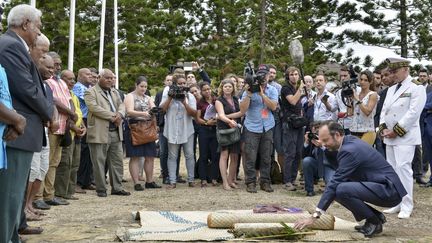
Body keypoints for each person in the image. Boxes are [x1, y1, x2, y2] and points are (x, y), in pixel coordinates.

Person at [294, 122, 407, 238]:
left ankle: (374, 222)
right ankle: (374, 217)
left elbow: (335, 182)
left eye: (325, 140)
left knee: (340, 189)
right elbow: (337, 165)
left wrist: (315, 216)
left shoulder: (349, 150)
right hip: (382, 185)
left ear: (337, 135)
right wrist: (324, 147)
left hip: (389, 190)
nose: (322, 143)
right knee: (337, 190)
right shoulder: (348, 140)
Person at [0, 4, 53, 242]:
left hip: (20, 131)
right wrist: (49, 113)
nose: (38, 33)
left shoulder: (14, 45)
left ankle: (13, 236)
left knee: (15, 194)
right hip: (15, 131)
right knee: (10, 195)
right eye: (38, 28)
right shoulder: (11, 46)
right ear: (25, 24)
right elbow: (27, 89)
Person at [379, 57, 426, 219]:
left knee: (403, 169)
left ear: (405, 69)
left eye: (395, 71)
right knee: (392, 170)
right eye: (391, 71)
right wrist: (383, 128)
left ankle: (407, 204)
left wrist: (396, 131)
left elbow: (413, 113)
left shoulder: (416, 88)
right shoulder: (392, 89)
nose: (392, 74)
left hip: (405, 137)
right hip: (390, 136)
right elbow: (384, 111)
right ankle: (396, 202)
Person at [84, 68, 130, 197]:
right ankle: (101, 189)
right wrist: (113, 116)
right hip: (99, 132)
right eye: (107, 78)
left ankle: (117, 187)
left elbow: (122, 105)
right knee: (99, 162)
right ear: (99, 78)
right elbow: (94, 108)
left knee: (117, 161)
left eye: (112, 78)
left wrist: (120, 114)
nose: (110, 80)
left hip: (115, 131)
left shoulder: (114, 92)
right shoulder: (90, 92)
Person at [240, 64, 278, 193]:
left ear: (268, 76)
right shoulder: (249, 89)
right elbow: (242, 109)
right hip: (251, 126)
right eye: (260, 74)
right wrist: (249, 94)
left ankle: (265, 182)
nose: (263, 77)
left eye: (265, 75)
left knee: (267, 156)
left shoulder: (272, 89)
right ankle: (250, 182)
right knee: (250, 156)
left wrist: (262, 94)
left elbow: (273, 107)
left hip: (267, 126)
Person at [160, 74, 197, 188]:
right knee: (172, 156)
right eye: (179, 84)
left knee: (190, 155)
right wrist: (170, 97)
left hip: (187, 129)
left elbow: (194, 114)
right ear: (174, 85)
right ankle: (172, 181)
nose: (181, 86)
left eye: (183, 83)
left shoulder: (190, 96)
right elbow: (161, 110)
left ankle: (191, 180)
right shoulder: (167, 95)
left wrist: (184, 102)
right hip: (172, 130)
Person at [123, 76, 160, 191]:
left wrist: (155, 113)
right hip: (134, 128)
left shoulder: (148, 97)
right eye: (141, 86)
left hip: (148, 129)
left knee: (150, 156)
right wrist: (145, 113)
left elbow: (154, 109)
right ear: (136, 85)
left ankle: (149, 181)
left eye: (145, 86)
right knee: (135, 157)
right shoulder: (130, 96)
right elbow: (129, 111)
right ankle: (137, 183)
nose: (143, 88)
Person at [54, 70, 86, 200]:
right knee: (65, 164)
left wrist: (83, 126)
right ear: (61, 80)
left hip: (77, 135)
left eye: (73, 79)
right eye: (69, 79)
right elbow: (66, 116)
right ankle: (61, 192)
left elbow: (78, 113)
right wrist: (74, 127)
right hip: (67, 133)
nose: (72, 81)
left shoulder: (73, 94)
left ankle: (70, 191)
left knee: (74, 164)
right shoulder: (62, 95)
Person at [280, 66, 306, 191]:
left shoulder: (296, 88)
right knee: (289, 152)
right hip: (289, 123)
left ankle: (293, 178)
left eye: (296, 74)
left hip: (298, 123)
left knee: (298, 152)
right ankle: (287, 181)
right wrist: (301, 89)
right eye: (291, 74)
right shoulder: (286, 88)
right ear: (287, 76)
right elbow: (293, 101)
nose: (294, 76)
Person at [215, 79, 243, 190]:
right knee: (224, 155)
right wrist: (230, 120)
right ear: (222, 88)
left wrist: (231, 118)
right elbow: (221, 115)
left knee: (235, 156)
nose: (227, 88)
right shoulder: (219, 100)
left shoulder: (236, 99)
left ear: (233, 88)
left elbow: (241, 112)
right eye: (225, 86)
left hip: (235, 129)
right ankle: (225, 182)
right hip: (224, 130)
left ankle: (231, 180)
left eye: (230, 86)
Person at [301, 122, 338, 197]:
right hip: (316, 165)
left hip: (329, 166)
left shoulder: (330, 139)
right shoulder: (312, 138)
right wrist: (306, 142)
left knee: (332, 187)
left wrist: (322, 146)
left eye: (318, 128)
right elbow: (303, 156)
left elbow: (335, 156)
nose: (317, 131)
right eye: (314, 129)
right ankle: (309, 190)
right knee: (307, 161)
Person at [74, 68, 95, 192]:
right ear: (80, 75)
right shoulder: (78, 87)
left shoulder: (88, 88)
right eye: (87, 75)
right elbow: (89, 102)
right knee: (81, 153)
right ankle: (78, 182)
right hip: (82, 121)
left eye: (91, 75)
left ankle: (86, 181)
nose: (90, 77)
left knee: (88, 153)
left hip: (89, 121)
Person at [196, 82, 219, 187]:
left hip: (215, 129)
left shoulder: (216, 100)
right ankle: (203, 179)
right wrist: (206, 122)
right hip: (204, 130)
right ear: (201, 91)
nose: (207, 91)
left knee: (215, 155)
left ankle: (214, 178)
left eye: (209, 89)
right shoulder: (200, 103)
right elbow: (198, 118)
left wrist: (216, 118)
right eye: (205, 90)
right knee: (203, 155)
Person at [348, 70, 379, 145]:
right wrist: (349, 100)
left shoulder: (373, 94)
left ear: (370, 82)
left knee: (363, 154)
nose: (362, 82)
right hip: (354, 130)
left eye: (366, 80)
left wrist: (357, 99)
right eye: (361, 79)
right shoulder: (356, 94)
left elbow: (367, 112)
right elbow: (350, 113)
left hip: (367, 131)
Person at [154, 74, 173, 184]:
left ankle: (174, 173)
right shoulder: (160, 93)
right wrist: (156, 124)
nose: (170, 82)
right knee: (163, 151)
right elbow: (157, 109)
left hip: (174, 126)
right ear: (164, 82)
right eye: (168, 80)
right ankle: (164, 173)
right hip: (162, 125)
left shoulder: (178, 93)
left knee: (174, 151)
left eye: (171, 80)